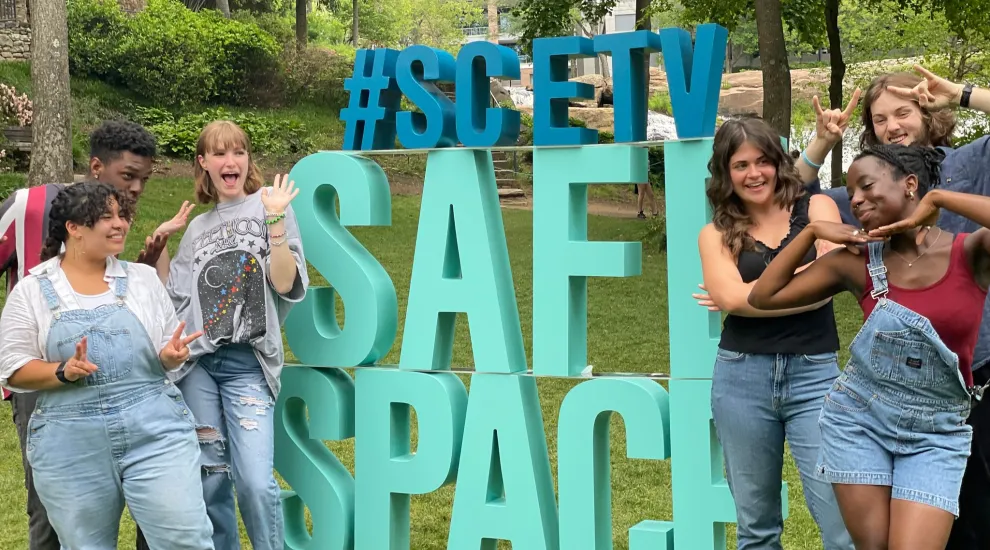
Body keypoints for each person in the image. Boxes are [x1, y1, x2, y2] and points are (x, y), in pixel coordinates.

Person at [748, 143, 990, 550]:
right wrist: (811, 231)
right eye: (851, 192)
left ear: (910, 185)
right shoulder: (855, 262)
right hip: (859, 423)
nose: (856, 200)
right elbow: (764, 296)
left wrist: (940, 198)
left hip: (937, 432)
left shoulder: (969, 252)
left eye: (866, 186)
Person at [797, 65, 990, 549]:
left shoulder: (971, 162)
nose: (892, 125)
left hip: (979, 372)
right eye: (880, 119)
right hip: (899, 397)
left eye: (902, 111)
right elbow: (798, 192)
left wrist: (965, 95)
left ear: (928, 110)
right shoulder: (871, 185)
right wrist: (820, 144)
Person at [0, 120, 194, 550]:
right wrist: (52, 368)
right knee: (55, 515)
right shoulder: (28, 205)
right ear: (94, 167)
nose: (138, 190)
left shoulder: (126, 249)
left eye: (144, 179)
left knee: (162, 513)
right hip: (49, 392)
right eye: (128, 177)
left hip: (142, 403)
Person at [697, 116, 854, 550]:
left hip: (815, 375)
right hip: (740, 378)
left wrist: (748, 294)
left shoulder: (816, 208)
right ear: (726, 173)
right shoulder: (715, 234)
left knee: (843, 524)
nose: (754, 174)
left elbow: (828, 286)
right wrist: (804, 278)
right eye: (741, 165)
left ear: (778, 162)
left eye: (763, 161)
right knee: (757, 528)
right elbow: (730, 301)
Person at [164, 120, 308, 550]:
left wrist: (277, 220)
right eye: (220, 153)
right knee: (211, 482)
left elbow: (285, 284)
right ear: (203, 163)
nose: (231, 161)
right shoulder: (196, 228)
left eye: (239, 152)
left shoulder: (270, 205)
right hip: (199, 369)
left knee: (254, 484)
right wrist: (159, 247)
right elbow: (177, 301)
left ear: (248, 160)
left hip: (248, 366)